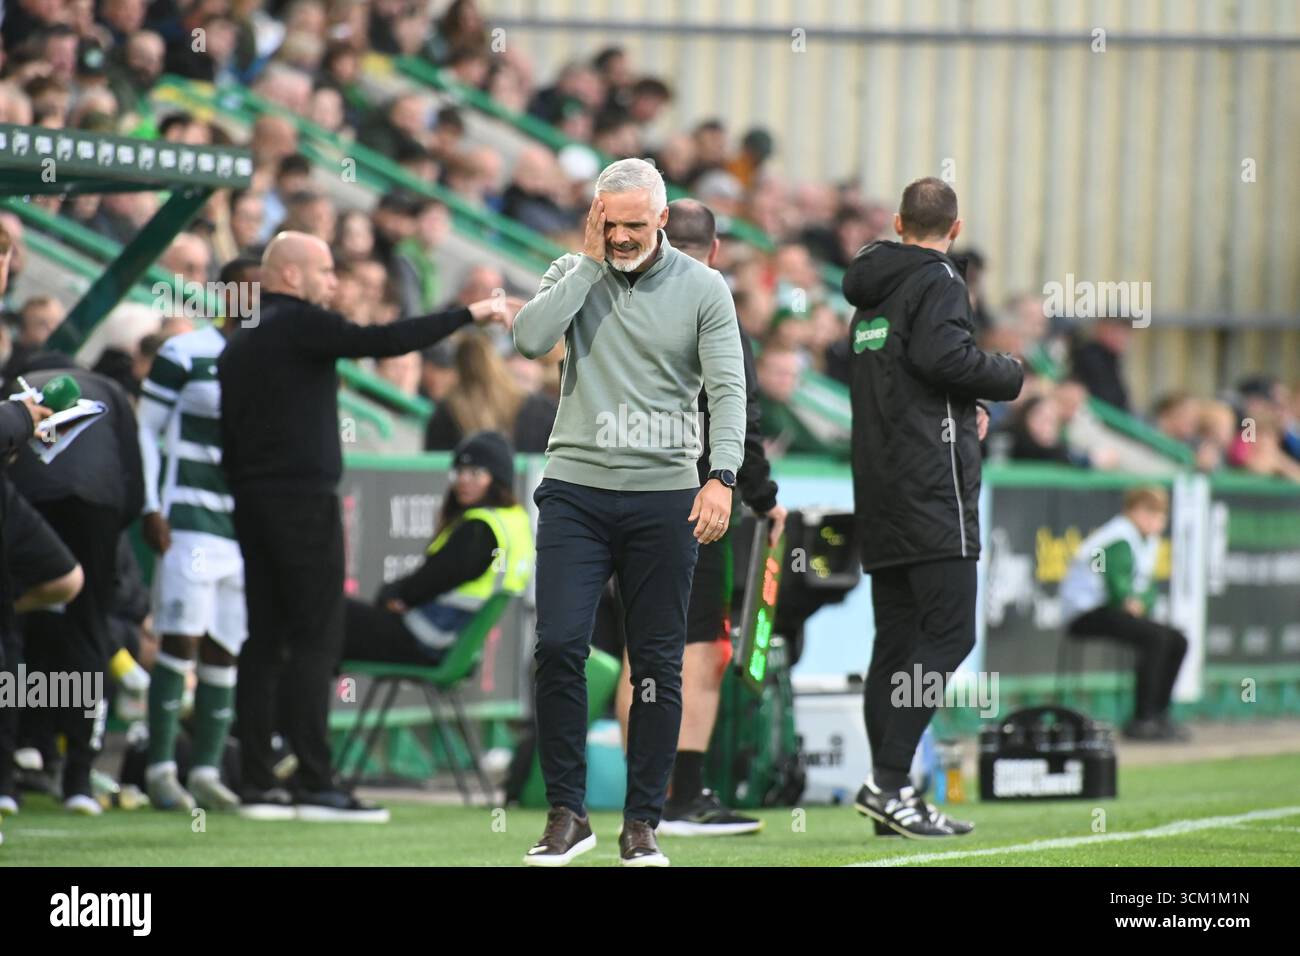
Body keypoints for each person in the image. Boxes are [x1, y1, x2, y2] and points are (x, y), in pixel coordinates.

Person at [217, 231, 521, 822]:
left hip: (251, 503)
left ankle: (257, 780)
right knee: (315, 636)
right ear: (292, 276)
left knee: (263, 639)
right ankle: (313, 781)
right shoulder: (299, 323)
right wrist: (466, 314)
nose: (334, 283)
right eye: (327, 272)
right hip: (302, 502)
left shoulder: (239, 340)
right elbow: (385, 339)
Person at [512, 159, 747, 867]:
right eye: (609, 224)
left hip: (665, 498)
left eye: (634, 226)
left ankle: (642, 821)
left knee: (656, 664)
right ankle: (566, 814)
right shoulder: (573, 270)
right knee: (557, 646)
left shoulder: (705, 287)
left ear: (664, 220)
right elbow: (527, 340)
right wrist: (585, 263)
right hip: (576, 490)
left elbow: (728, 390)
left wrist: (723, 477)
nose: (620, 237)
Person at [841, 177, 1023, 838]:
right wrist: (1005, 374)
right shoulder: (941, 278)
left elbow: (900, 370)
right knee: (950, 634)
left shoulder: (868, 291)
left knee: (895, 643)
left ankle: (894, 796)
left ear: (896, 221)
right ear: (954, 226)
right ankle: (890, 783)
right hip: (932, 484)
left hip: (881, 482)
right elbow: (943, 355)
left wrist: (956, 405)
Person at [611, 198, 786, 836]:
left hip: (616, 497)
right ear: (713, 251)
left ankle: (642, 796)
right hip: (690, 499)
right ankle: (682, 797)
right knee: (698, 654)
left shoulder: (618, 301)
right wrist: (762, 496)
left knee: (639, 653)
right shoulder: (712, 306)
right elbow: (737, 418)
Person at [136, 258, 260, 813]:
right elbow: (146, 430)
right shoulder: (183, 352)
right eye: (251, 289)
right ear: (227, 293)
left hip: (246, 525)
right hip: (186, 513)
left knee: (225, 643)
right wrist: (148, 503)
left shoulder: (271, 360)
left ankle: (206, 770)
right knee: (180, 636)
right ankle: (161, 769)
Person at [4, 356, 145, 815]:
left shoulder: (17, 383)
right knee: (89, 632)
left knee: (13, 630)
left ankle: (6, 778)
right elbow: (134, 485)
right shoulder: (108, 389)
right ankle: (79, 779)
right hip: (96, 505)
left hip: (26, 497)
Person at [342, 431, 533, 666]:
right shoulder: (515, 521)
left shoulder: (481, 529)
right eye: (459, 472)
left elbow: (427, 582)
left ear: (498, 479)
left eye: (476, 473)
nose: (463, 480)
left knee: (332, 615)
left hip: (428, 639)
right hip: (459, 645)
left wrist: (392, 593)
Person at [1061, 487, 1189, 741]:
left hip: (1110, 611)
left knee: (1178, 639)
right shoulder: (1118, 537)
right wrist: (1130, 601)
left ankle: (1159, 715)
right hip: (1086, 613)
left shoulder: (1145, 541)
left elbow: (1147, 588)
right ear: (1136, 512)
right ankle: (1142, 720)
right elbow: (1117, 587)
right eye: (1153, 513)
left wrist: (1140, 601)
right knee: (1157, 639)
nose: (1160, 521)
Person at [422, 332, 555, 454]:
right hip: (531, 478)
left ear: (456, 369)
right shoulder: (537, 406)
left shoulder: (446, 412)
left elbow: (435, 465)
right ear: (496, 362)